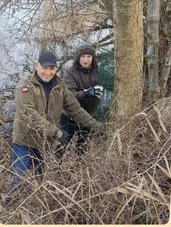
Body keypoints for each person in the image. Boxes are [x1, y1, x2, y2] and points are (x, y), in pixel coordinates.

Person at [5, 51, 104, 205]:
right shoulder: (24, 86)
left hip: (43, 141)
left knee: (40, 177)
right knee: (21, 176)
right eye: (45, 68)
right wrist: (56, 132)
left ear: (56, 69)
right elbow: (29, 114)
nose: (48, 72)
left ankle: (36, 207)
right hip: (24, 141)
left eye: (52, 68)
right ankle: (9, 206)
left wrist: (96, 126)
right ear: (37, 65)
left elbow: (75, 109)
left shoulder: (60, 86)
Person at [60, 45, 103, 152]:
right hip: (70, 115)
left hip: (88, 114)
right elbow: (69, 95)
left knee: (82, 145)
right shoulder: (69, 72)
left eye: (89, 56)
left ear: (93, 58)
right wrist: (86, 93)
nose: (85, 60)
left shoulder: (98, 71)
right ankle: (57, 167)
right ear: (78, 58)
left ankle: (78, 166)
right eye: (83, 56)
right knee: (63, 144)